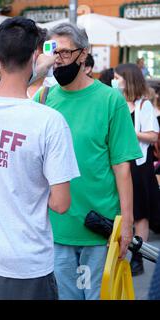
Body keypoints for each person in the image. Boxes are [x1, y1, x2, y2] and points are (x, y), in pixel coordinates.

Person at [0, 17, 80, 300]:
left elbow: (5, 88)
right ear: (36, 55)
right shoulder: (49, 121)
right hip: (24, 260)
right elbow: (61, 204)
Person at [34, 23, 142, 300]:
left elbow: (122, 168)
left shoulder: (110, 100)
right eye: (52, 52)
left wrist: (126, 223)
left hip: (99, 226)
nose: (57, 60)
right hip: (55, 227)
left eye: (65, 53)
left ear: (84, 55)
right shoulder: (43, 98)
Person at [114, 63, 160, 276]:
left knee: (141, 212)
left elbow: (153, 136)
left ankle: (138, 257)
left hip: (139, 165)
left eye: (118, 77)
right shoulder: (116, 102)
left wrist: (131, 132)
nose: (115, 81)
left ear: (127, 79)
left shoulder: (143, 105)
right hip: (119, 162)